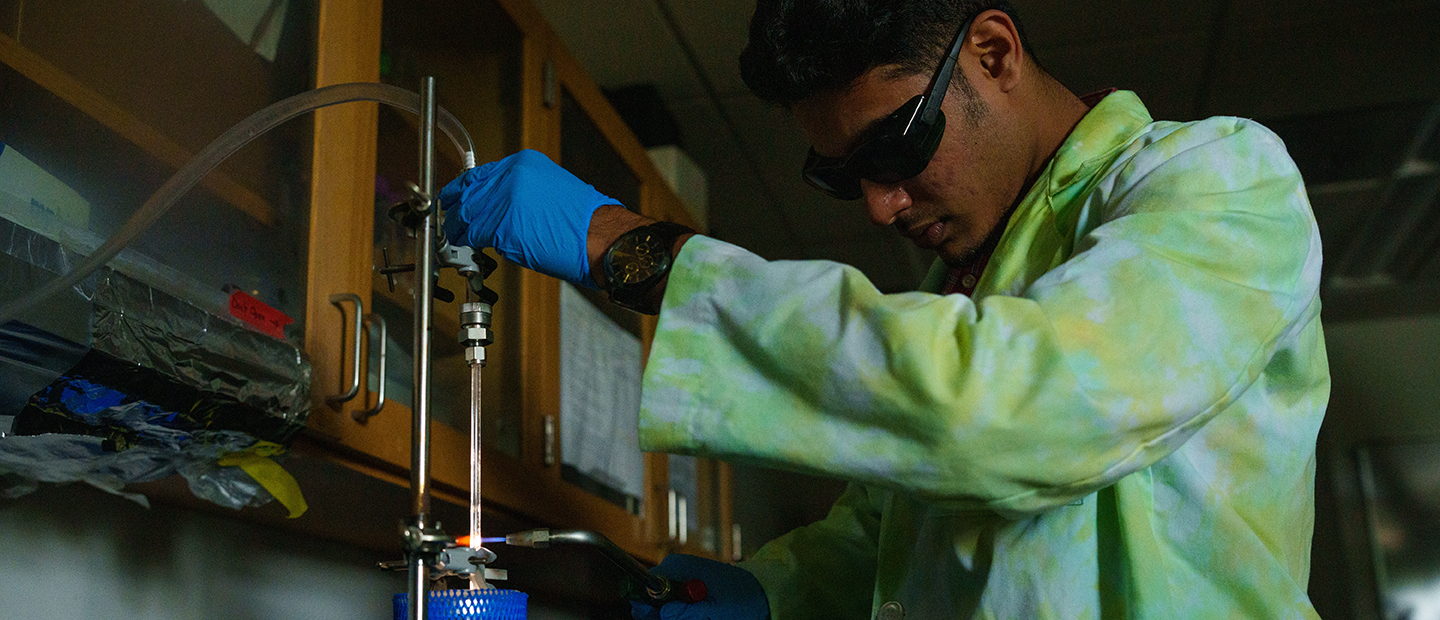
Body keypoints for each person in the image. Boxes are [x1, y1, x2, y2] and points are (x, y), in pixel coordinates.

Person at [440, 0, 1330, 618]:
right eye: (841, 174)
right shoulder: (960, 293)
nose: (880, 205)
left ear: (993, 53)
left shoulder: (1216, 179)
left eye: (895, 145)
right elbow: (897, 528)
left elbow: (1007, 411)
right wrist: (776, 592)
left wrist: (631, 250)